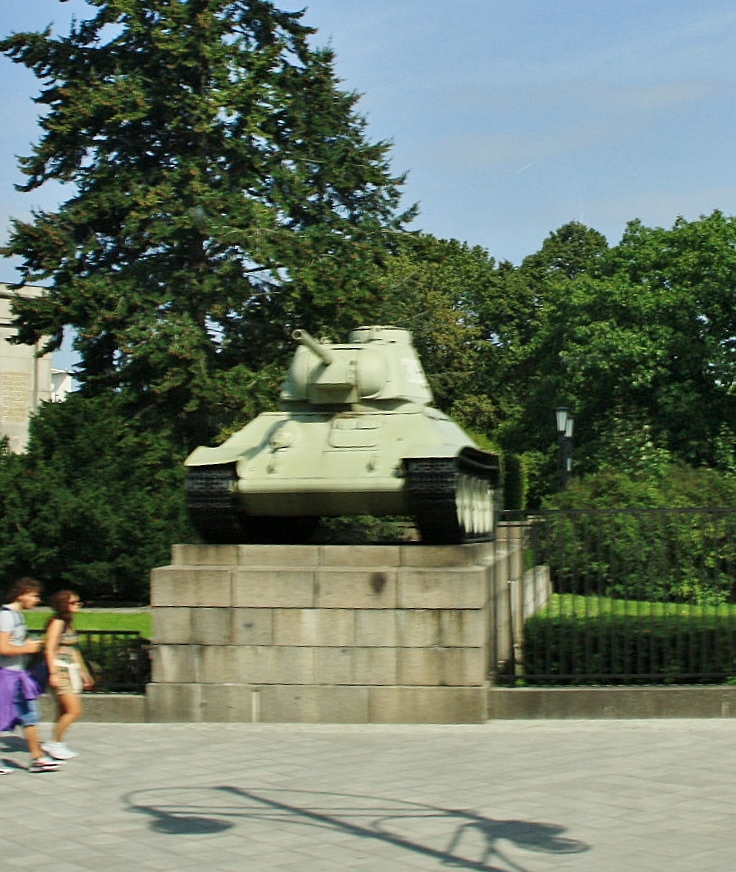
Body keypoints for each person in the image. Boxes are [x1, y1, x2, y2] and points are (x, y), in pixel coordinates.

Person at [0, 577, 59, 773]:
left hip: (17, 674)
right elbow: (3, 647)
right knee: (15, 715)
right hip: (7, 675)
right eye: (34, 596)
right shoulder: (6, 616)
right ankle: (38, 758)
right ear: (22, 594)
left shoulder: (18, 616)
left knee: (29, 715)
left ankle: (38, 758)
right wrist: (28, 647)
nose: (37, 600)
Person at [41, 590, 93, 761]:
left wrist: (84, 672)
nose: (78, 605)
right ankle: (54, 743)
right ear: (63, 605)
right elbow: (49, 648)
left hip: (70, 668)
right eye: (73, 602)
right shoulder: (57, 622)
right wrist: (53, 673)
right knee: (74, 710)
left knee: (64, 710)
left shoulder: (68, 623)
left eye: (78, 602)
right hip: (60, 669)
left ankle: (58, 742)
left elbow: (74, 650)